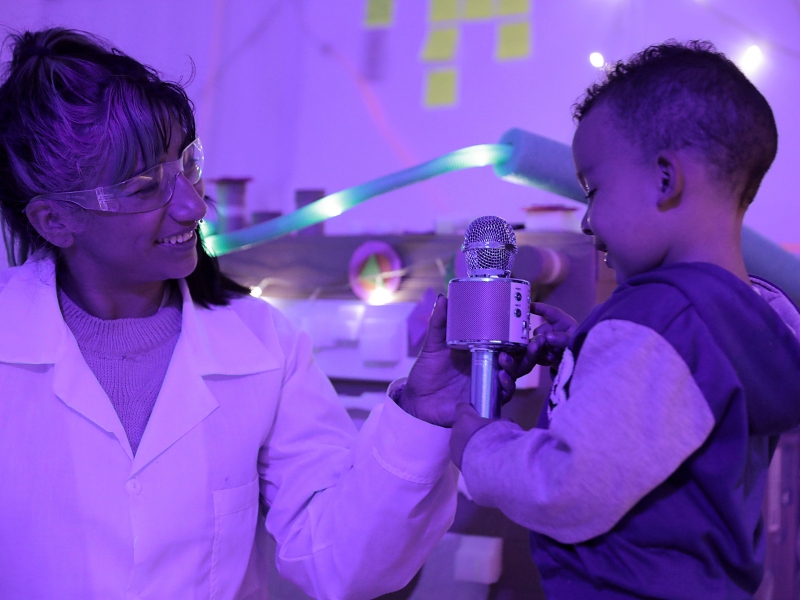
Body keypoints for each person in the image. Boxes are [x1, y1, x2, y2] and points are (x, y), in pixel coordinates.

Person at [0, 27, 520, 600]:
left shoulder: (262, 343)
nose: (193, 205)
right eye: (146, 187)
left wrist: (420, 416)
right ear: (54, 221)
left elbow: (340, 562)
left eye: (187, 164)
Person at [449, 40, 800, 598]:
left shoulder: (657, 321)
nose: (587, 220)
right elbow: (664, 434)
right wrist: (583, 353)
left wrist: (481, 449)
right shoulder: (743, 318)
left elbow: (568, 484)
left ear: (665, 180)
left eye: (593, 190)